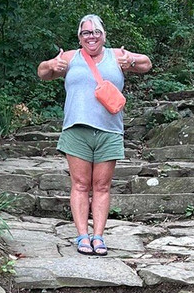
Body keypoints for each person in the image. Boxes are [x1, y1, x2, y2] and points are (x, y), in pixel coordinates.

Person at [37, 14, 151, 255]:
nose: (92, 36)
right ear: (79, 37)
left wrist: (131, 60)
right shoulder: (70, 58)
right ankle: (82, 236)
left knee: (102, 186)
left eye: (96, 31)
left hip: (109, 130)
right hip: (76, 129)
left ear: (104, 35)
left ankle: (98, 236)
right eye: (86, 32)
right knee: (79, 184)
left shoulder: (115, 56)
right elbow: (42, 72)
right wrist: (51, 66)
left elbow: (146, 63)